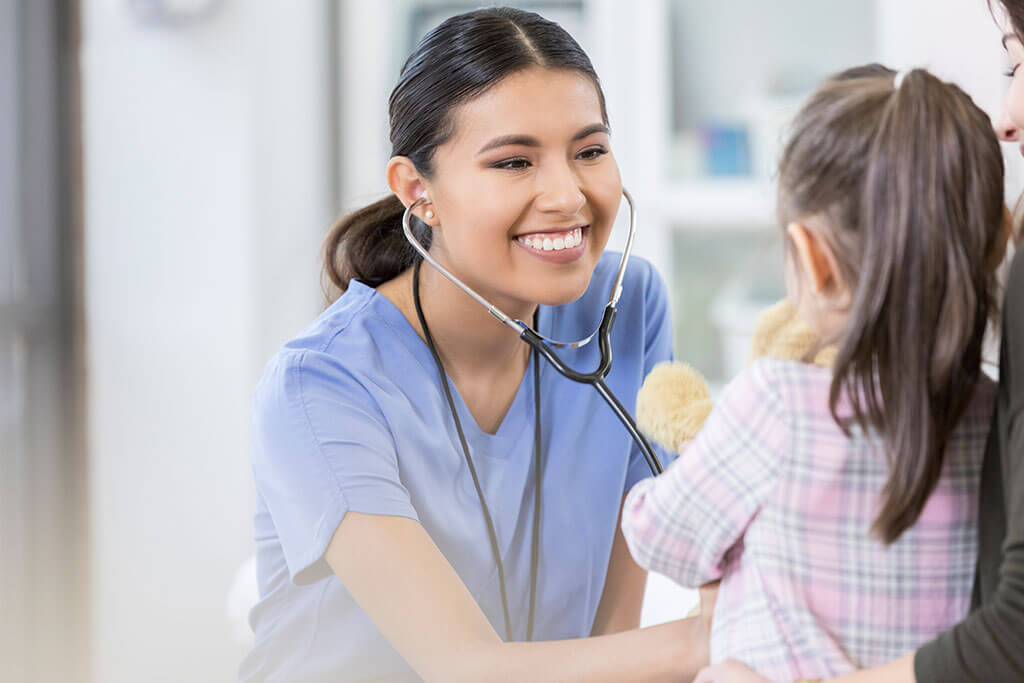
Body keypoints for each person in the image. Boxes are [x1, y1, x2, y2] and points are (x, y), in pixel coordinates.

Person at [238, 7, 708, 682]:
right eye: (514, 161)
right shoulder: (320, 386)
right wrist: (710, 640)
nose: (567, 193)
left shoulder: (628, 307)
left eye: (590, 151)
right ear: (417, 190)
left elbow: (614, 634)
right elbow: (462, 666)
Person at [621, 63, 1012, 681]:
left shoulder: (779, 400)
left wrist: (702, 449)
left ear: (811, 258)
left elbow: (660, 538)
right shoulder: (996, 415)